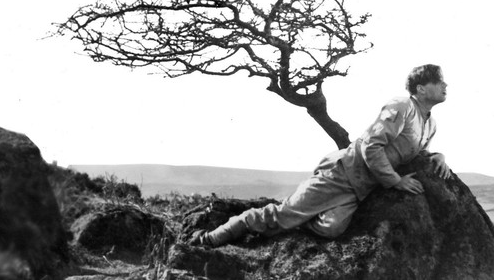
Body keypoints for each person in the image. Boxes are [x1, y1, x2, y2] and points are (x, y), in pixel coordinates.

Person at [189, 64, 452, 247]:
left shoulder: (430, 122)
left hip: (359, 188)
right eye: (438, 81)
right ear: (420, 89)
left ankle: (299, 211)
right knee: (281, 217)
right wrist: (395, 181)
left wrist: (437, 156)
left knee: (331, 229)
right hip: (342, 173)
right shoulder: (401, 106)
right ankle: (210, 238)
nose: (445, 85)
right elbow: (370, 146)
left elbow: (412, 151)